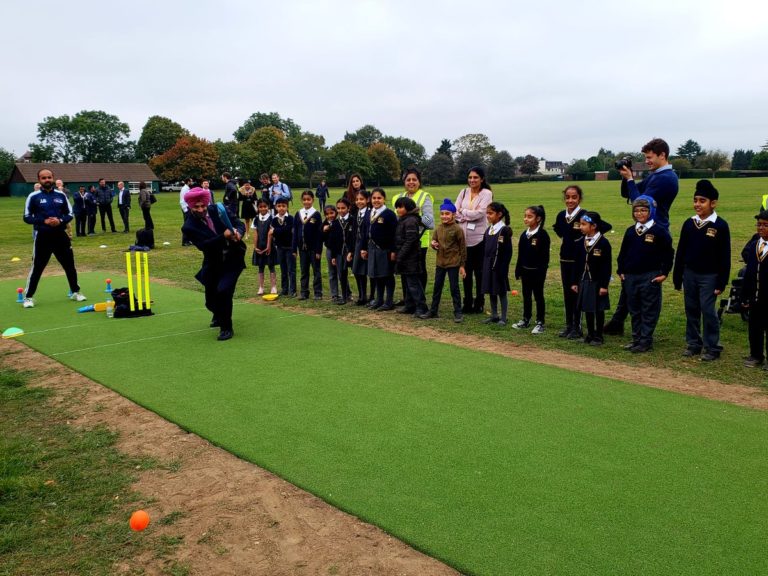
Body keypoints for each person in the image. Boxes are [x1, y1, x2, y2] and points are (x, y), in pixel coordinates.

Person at [606, 137, 680, 335]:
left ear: (662, 155)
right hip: (642, 230)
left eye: (649, 157)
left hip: (656, 232)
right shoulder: (656, 175)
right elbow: (630, 194)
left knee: (646, 281)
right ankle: (618, 320)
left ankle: (641, 330)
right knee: (630, 276)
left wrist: (630, 179)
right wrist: (625, 177)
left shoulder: (666, 178)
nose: (646, 161)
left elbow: (640, 200)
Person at [672, 180, 731, 362]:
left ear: (713, 203)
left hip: (710, 276)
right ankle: (694, 343)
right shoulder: (689, 224)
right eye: (695, 200)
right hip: (689, 274)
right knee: (691, 309)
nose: (697, 204)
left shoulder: (720, 225)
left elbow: (725, 256)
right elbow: (681, 251)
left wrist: (722, 281)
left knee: (707, 310)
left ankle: (712, 346)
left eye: (702, 200)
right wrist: (677, 275)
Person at [182, 187, 246, 341]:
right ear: (190, 206)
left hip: (233, 259)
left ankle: (226, 328)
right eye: (196, 207)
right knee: (210, 301)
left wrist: (238, 232)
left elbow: (239, 223)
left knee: (224, 291)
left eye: (203, 205)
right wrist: (223, 236)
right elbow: (205, 246)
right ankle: (218, 313)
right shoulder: (188, 227)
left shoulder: (218, 210)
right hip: (213, 262)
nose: (201, 209)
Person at [616, 196, 674, 353]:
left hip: (650, 276)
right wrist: (621, 270)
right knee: (634, 308)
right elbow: (623, 253)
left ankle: (646, 340)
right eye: (636, 210)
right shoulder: (630, 231)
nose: (640, 213)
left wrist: (664, 273)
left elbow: (668, 253)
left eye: (643, 210)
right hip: (630, 276)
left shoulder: (659, 231)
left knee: (649, 309)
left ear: (651, 211)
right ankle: (636, 338)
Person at [21, 168, 87, 308]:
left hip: (60, 236)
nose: (47, 180)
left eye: (49, 177)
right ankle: (28, 297)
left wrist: (60, 221)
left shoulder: (61, 195)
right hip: (43, 236)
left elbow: (70, 214)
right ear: (39, 180)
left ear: (53, 178)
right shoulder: (33, 196)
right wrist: (43, 221)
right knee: (37, 267)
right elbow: (26, 217)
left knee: (70, 265)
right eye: (43, 178)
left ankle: (76, 291)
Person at [455, 166, 493, 314]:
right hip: (464, 239)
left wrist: (462, 213)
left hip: (480, 238)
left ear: (482, 179)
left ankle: (479, 302)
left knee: (479, 272)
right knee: (466, 272)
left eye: (475, 177)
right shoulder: (463, 192)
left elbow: (480, 213)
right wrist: (465, 214)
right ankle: (468, 302)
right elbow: (454, 210)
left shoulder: (487, 194)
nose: (472, 180)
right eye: (470, 177)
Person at [572, 211, 613, 346]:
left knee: (598, 309)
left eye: (584, 224)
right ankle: (589, 334)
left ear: (593, 226)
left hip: (597, 281)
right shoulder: (579, 242)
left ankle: (599, 335)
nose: (580, 227)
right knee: (587, 308)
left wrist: (603, 285)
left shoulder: (604, 243)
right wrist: (574, 281)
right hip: (584, 280)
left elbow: (606, 267)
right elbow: (577, 263)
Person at [423, 198, 466, 323]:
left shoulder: (458, 229)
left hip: (453, 263)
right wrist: (433, 244)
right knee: (437, 287)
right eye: (442, 214)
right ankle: (433, 310)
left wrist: (462, 265)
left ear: (453, 215)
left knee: (454, 288)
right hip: (440, 263)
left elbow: (462, 248)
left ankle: (458, 312)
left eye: (447, 214)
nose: (444, 216)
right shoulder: (438, 228)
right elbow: (434, 241)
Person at [553, 185, 587, 339]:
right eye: (567, 197)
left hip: (578, 261)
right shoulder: (561, 215)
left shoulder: (584, 215)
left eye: (574, 197)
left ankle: (577, 326)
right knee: (567, 292)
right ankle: (569, 325)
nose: (570, 200)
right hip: (564, 259)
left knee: (576, 292)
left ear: (579, 198)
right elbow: (560, 231)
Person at [392, 168, 434, 293]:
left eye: (414, 179)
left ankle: (419, 299)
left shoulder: (425, 196)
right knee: (404, 269)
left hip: (419, 241)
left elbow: (429, 220)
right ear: (404, 182)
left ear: (419, 182)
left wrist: (414, 227)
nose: (411, 182)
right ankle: (407, 300)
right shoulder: (397, 198)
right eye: (408, 180)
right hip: (402, 242)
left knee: (418, 271)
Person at [513, 205, 550, 334]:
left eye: (529, 217)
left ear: (538, 218)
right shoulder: (524, 235)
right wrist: (518, 270)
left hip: (537, 272)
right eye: (525, 216)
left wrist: (541, 272)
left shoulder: (543, 235)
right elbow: (520, 254)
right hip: (525, 271)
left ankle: (540, 322)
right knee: (526, 296)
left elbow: (545, 258)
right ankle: (526, 318)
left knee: (538, 296)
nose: (526, 219)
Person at [741, 209, 768, 370]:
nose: (761, 228)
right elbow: (749, 273)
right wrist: (744, 296)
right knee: (755, 327)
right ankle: (756, 355)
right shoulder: (754, 245)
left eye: (765, 225)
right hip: (755, 296)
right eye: (759, 225)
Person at [394, 196, 428, 317]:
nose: (398, 209)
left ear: (408, 208)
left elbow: (410, 240)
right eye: (397, 207)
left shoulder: (411, 221)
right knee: (408, 283)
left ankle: (421, 307)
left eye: (400, 207)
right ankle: (409, 305)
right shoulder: (404, 219)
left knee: (414, 284)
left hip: (411, 257)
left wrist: (400, 256)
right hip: (406, 257)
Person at [367, 187, 398, 311]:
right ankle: (379, 299)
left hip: (385, 250)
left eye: (379, 198)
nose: (376, 200)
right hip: (372, 248)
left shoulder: (389, 214)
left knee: (387, 275)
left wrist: (393, 250)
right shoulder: (370, 212)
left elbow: (394, 234)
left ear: (384, 199)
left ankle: (389, 301)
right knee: (376, 275)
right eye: (374, 198)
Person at [482, 202, 513, 326]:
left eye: (491, 213)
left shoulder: (504, 230)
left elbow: (507, 252)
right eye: (487, 213)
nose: (488, 216)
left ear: (499, 214)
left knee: (501, 291)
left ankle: (504, 317)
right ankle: (494, 315)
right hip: (487, 264)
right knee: (491, 289)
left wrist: (503, 268)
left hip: (499, 265)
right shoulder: (488, 229)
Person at [293, 190, 323, 300]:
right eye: (304, 199)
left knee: (316, 271)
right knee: (304, 271)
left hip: (314, 249)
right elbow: (295, 233)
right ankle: (304, 292)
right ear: (301, 200)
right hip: (302, 248)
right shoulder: (298, 214)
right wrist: (294, 249)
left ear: (313, 200)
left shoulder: (316, 214)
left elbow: (320, 235)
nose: (306, 202)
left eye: (308, 199)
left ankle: (318, 293)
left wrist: (318, 250)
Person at [270, 198, 296, 297]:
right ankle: (284, 289)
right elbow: (274, 234)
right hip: (280, 247)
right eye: (279, 206)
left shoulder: (290, 219)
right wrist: (278, 231)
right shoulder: (274, 220)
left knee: (291, 269)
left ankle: (292, 290)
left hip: (290, 247)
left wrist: (276, 231)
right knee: (283, 269)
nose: (281, 208)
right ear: (276, 207)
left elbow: (288, 230)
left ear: (287, 207)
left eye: (283, 206)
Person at [251, 198, 277, 295]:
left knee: (271, 266)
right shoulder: (256, 219)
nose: (263, 209)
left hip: (270, 246)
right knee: (260, 267)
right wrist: (255, 246)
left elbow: (270, 233)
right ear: (257, 207)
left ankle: (273, 286)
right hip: (259, 246)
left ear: (268, 207)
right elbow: (255, 233)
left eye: (265, 206)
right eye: (260, 207)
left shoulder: (272, 218)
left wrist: (268, 246)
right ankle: (261, 287)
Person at [351, 190, 372, 305]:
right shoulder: (356, 214)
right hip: (357, 245)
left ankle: (369, 296)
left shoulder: (369, 213)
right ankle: (361, 295)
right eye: (357, 199)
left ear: (367, 200)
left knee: (365, 272)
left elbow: (367, 232)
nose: (359, 201)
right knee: (356, 271)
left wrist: (364, 247)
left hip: (365, 245)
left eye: (362, 199)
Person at [322, 205, 341, 302]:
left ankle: (347, 293)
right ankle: (334, 294)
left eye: (332, 213)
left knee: (341, 272)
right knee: (332, 273)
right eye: (327, 214)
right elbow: (321, 237)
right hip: (329, 250)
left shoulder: (339, 222)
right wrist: (324, 231)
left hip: (339, 251)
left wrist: (331, 227)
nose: (330, 216)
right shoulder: (324, 224)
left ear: (336, 213)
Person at [180, 178, 193, 246]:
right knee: (187, 224)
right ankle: (184, 241)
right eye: (191, 181)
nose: (192, 182)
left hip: (189, 208)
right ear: (188, 182)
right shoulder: (184, 189)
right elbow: (182, 200)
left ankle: (188, 240)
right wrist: (185, 209)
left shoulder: (188, 189)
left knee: (190, 224)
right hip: (186, 208)